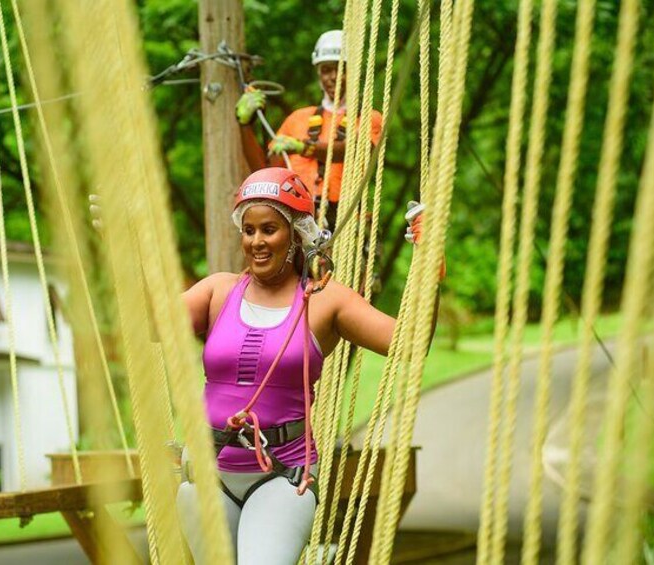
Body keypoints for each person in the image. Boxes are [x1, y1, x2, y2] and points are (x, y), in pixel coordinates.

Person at [174, 167, 437, 565]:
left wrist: (431, 264)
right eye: (249, 230)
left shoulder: (325, 301)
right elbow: (150, 323)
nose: (257, 242)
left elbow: (411, 343)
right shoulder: (217, 291)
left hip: (281, 476)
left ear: (297, 234)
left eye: (269, 229)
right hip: (207, 475)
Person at [235, 30, 383, 229]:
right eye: (326, 70)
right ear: (318, 73)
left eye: (341, 69)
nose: (333, 77)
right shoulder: (298, 119)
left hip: (346, 218)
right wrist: (245, 125)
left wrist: (302, 147)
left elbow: (353, 152)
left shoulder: (368, 118)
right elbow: (265, 175)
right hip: (300, 217)